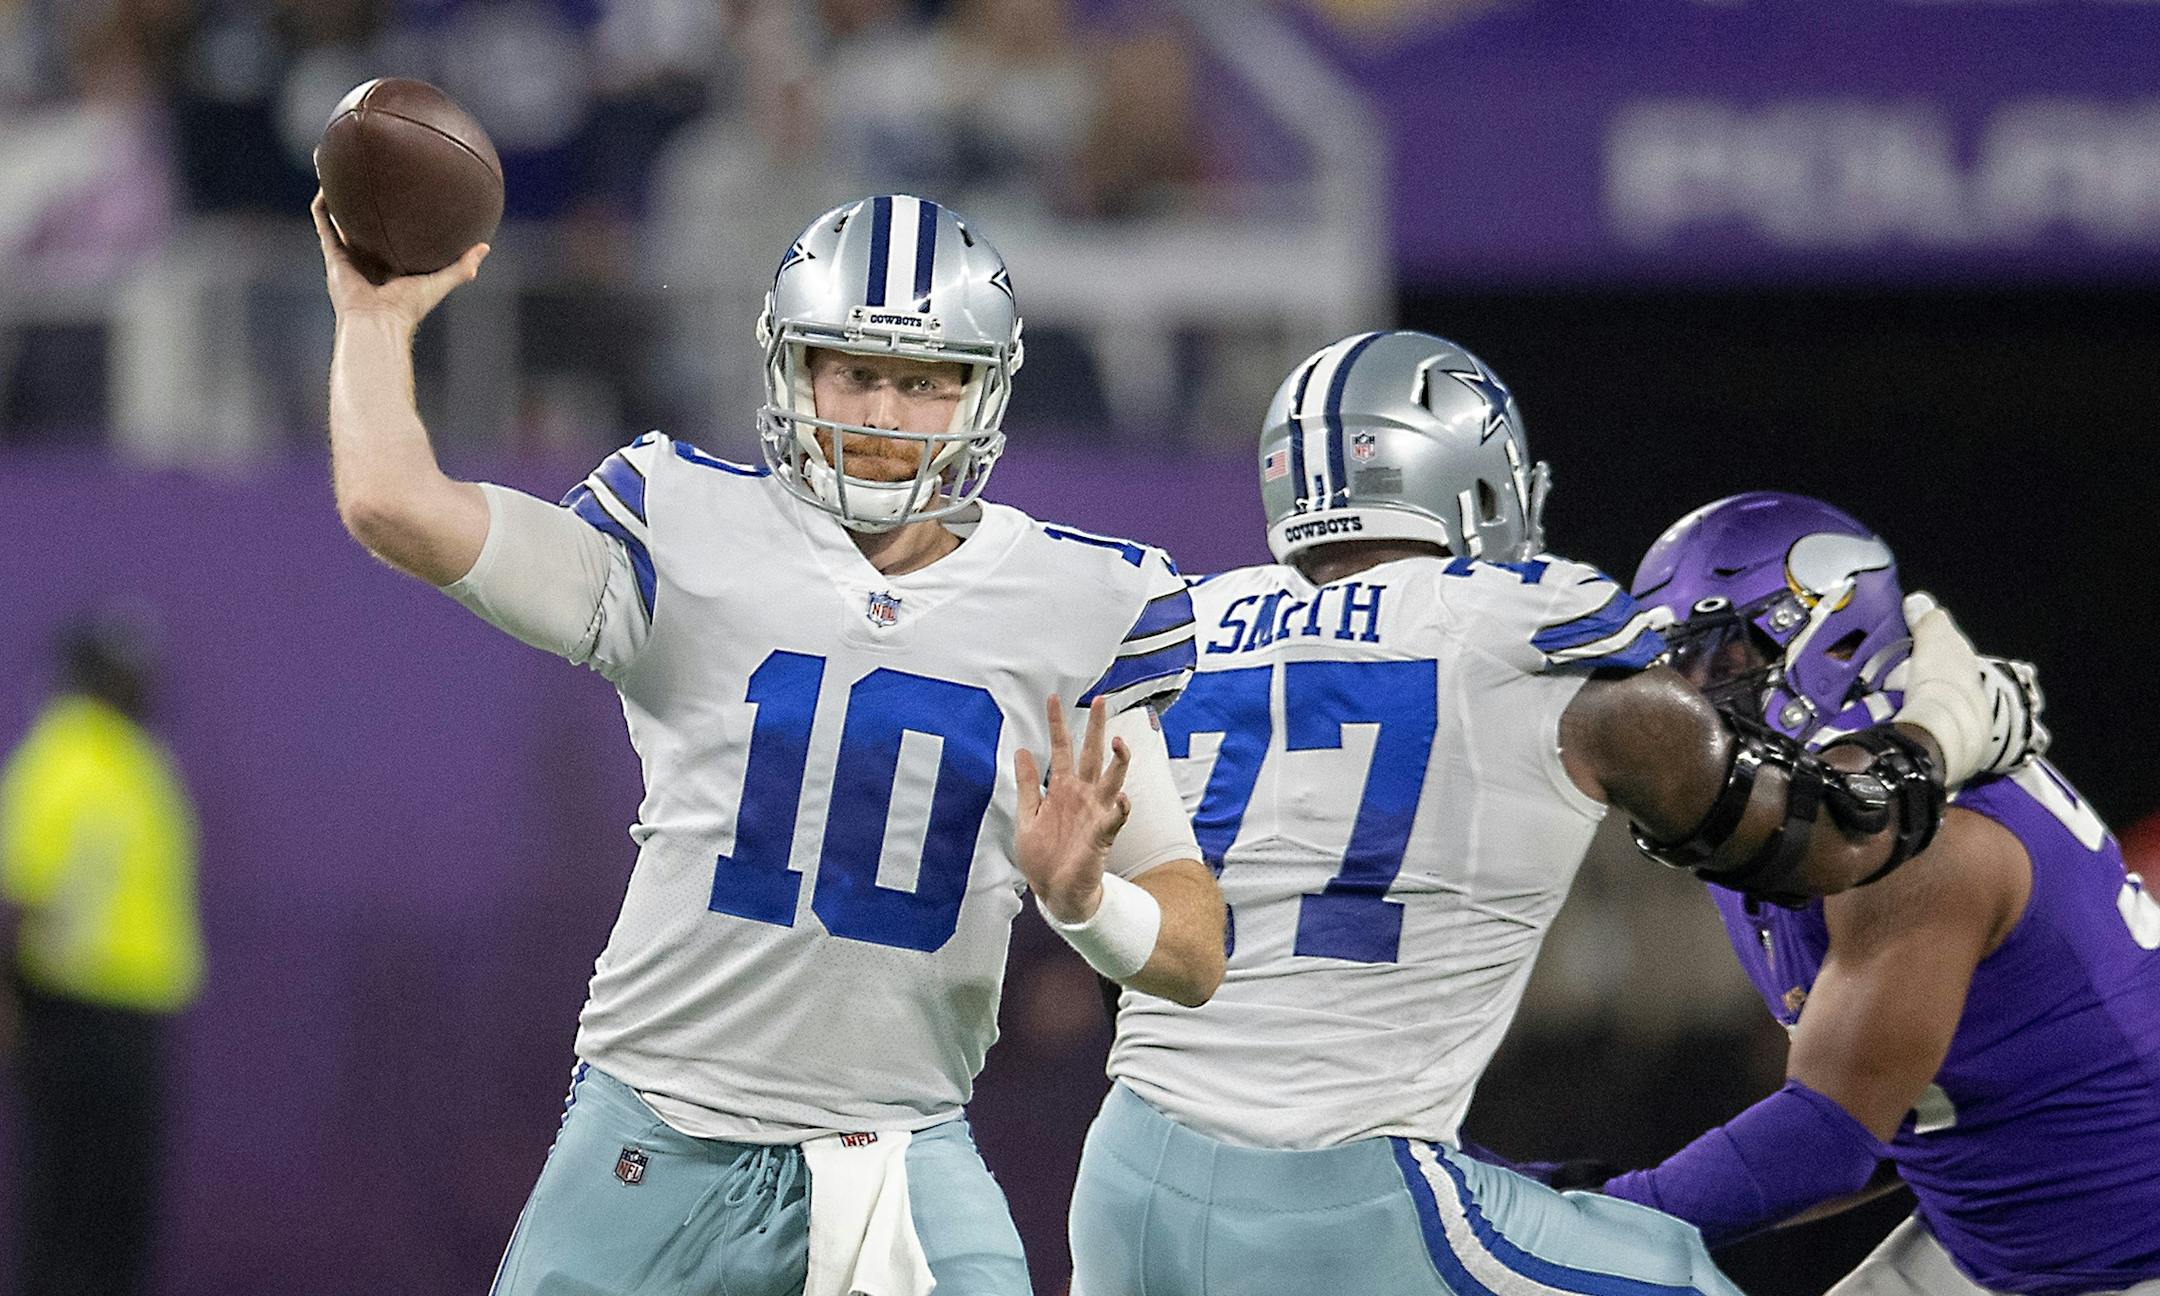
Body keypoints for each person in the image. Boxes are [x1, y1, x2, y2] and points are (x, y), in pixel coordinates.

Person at [312, 190, 1226, 1296]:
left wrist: (1086, 906)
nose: (885, 410)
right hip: (658, 1124)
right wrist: (371, 322)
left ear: (984, 391)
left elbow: (1193, 949)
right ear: (792, 371)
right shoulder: (682, 523)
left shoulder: (1080, 604)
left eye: (926, 379)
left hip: (900, 1150)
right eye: (852, 370)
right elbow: (391, 504)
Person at [1064, 330, 2041, 1296]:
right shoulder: (1528, 629)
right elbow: (1828, 836)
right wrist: (1944, 731)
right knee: (1677, 1275)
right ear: (1480, 482)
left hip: (1124, 1178)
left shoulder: (1177, 628)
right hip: (1346, 1198)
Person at [1585, 491, 2160, 1296]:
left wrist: (1584, 1214)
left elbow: (1825, 1140)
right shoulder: (1823, 805)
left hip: (2125, 1253)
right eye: (1668, 667)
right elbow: (1894, 1110)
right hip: (2007, 1235)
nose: (1684, 699)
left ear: (1829, 635)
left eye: (1719, 659)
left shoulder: (1916, 842)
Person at [1, 611, 206, 1296]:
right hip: (70, 1012)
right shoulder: (63, 754)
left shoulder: (135, 758)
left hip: (132, 1016)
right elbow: (20, 893)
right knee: (66, 1208)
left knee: (119, 1212)